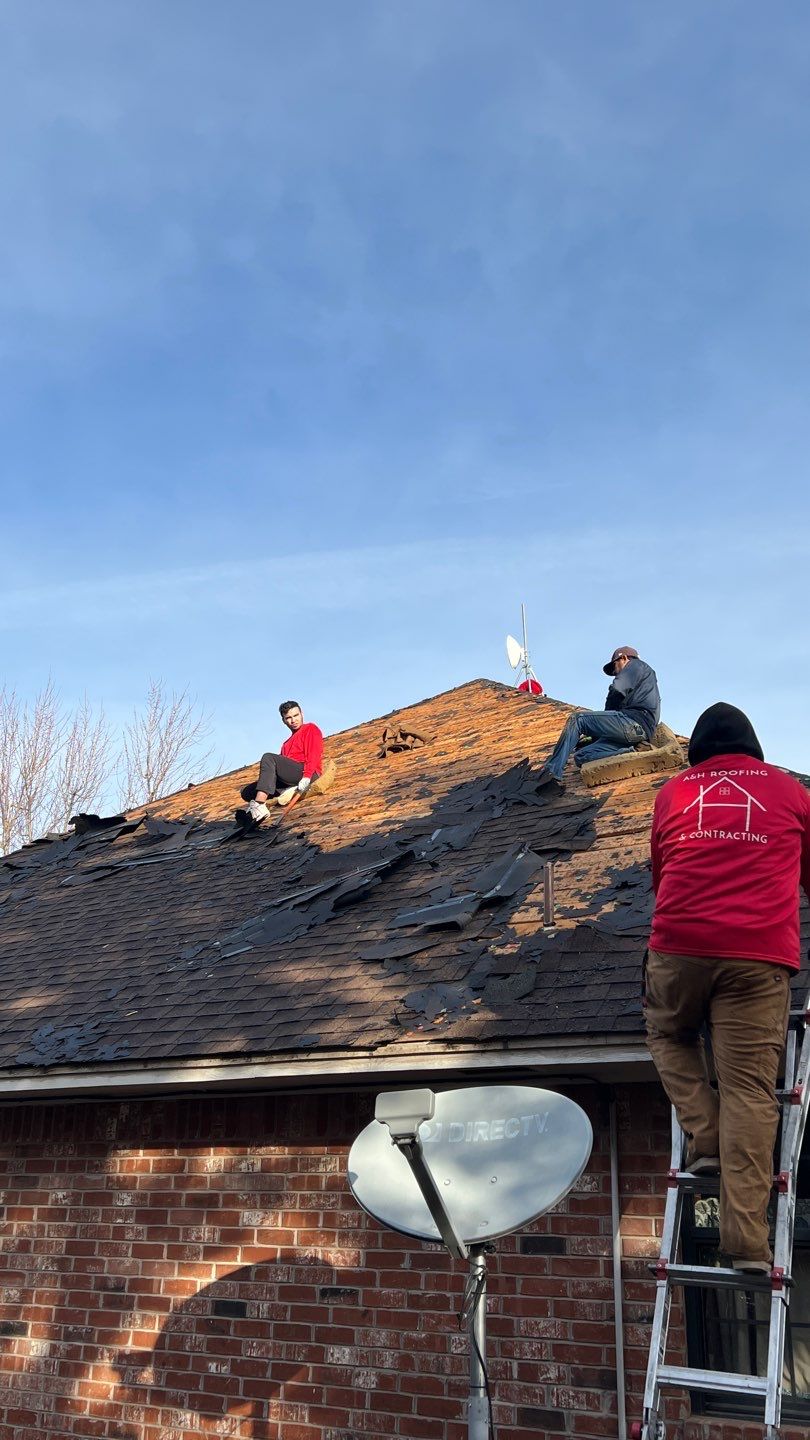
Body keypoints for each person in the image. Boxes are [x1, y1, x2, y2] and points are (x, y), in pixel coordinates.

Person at [645, 702, 810, 1275]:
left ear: (696, 755)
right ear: (754, 748)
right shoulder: (790, 792)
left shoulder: (673, 793)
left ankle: (706, 1137)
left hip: (680, 946)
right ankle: (746, 1244)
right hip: (758, 957)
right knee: (750, 1091)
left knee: (669, 1032)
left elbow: (663, 874)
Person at [537, 646, 660, 791]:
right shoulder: (644, 679)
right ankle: (630, 753)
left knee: (577, 719)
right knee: (582, 756)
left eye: (615, 667)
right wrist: (594, 736)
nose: (615, 673)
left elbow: (617, 689)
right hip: (636, 734)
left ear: (624, 658)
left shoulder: (636, 665)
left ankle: (551, 771)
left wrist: (598, 728)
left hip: (634, 723)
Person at [238, 701, 323, 824]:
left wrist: (307, 776)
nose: (293, 720)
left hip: (307, 772)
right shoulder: (286, 744)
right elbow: (279, 769)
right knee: (247, 792)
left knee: (268, 757)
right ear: (283, 720)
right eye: (288, 718)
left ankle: (259, 805)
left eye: (296, 715)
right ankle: (285, 791)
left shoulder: (310, 729)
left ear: (302, 714)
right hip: (290, 777)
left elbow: (314, 754)